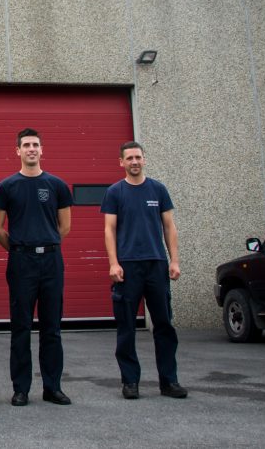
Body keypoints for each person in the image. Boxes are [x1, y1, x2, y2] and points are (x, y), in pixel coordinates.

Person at [0, 128, 72, 407]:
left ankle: (53, 388)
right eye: (26, 145)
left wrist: (45, 245)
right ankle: (20, 389)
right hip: (21, 263)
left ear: (42, 149)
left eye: (35, 144)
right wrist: (19, 249)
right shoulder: (7, 187)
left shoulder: (57, 185)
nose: (31, 149)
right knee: (21, 328)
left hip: (51, 262)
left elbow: (65, 226)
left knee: (52, 329)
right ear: (18, 151)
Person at [101, 141, 187, 400]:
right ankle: (130, 382)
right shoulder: (115, 192)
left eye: (138, 157)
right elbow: (109, 229)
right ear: (121, 162)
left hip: (156, 264)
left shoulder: (158, 189)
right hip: (127, 267)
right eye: (129, 158)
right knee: (126, 327)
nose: (134, 162)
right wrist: (113, 263)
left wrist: (174, 260)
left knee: (164, 325)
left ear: (144, 160)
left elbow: (169, 226)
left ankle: (169, 382)